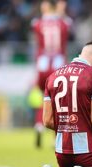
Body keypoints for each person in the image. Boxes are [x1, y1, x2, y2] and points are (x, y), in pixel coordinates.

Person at [31, 0, 72, 148]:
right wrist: (60, 12)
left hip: (42, 65)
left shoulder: (38, 23)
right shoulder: (63, 22)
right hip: (58, 65)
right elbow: (68, 24)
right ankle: (56, 138)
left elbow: (35, 25)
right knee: (58, 102)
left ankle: (39, 124)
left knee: (44, 98)